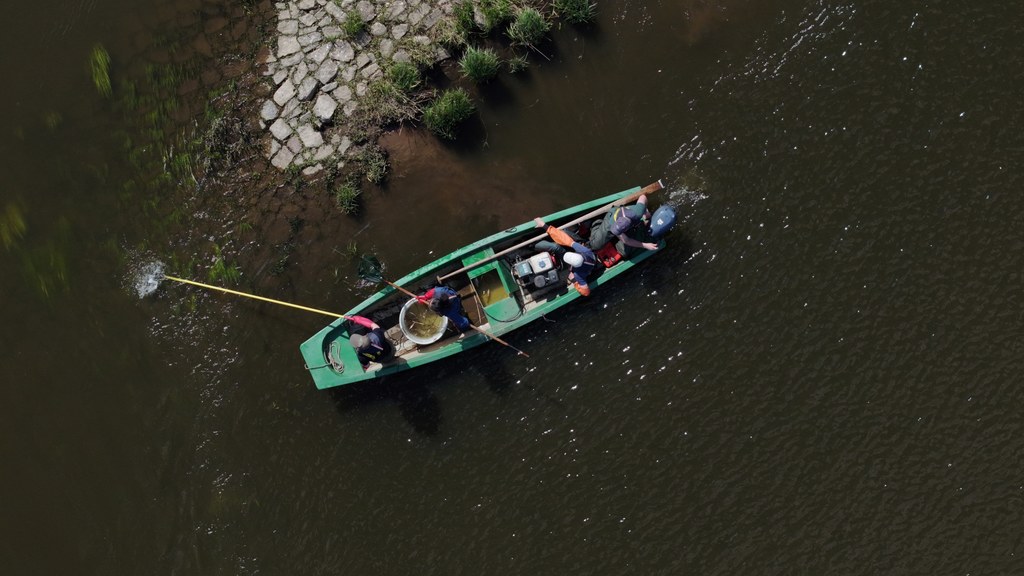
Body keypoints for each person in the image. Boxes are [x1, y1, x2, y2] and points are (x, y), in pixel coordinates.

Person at [533, 217, 599, 296]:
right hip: (585, 257)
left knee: (556, 247)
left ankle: (533, 246)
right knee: (563, 233)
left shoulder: (578, 275)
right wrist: (544, 225)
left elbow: (586, 293)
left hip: (571, 265)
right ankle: (544, 238)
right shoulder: (585, 251)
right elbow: (564, 238)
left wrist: (574, 281)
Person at [587, 194, 659, 253]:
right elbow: (626, 240)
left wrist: (644, 210)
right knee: (595, 245)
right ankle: (597, 222)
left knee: (625, 252)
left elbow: (643, 197)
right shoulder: (613, 223)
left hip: (630, 222)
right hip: (611, 219)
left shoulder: (637, 212)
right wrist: (645, 245)